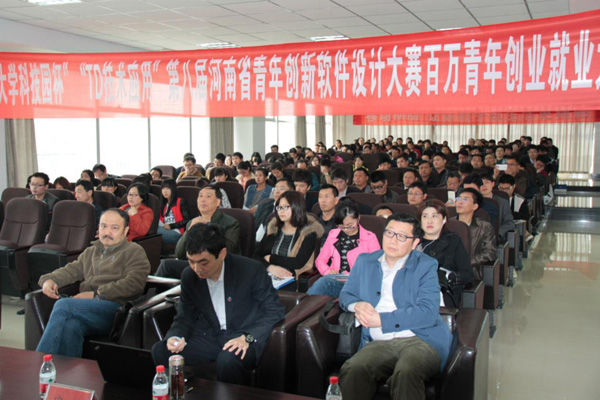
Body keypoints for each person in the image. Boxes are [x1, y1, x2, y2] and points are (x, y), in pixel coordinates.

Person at [151, 224, 285, 385]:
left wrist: (248, 337)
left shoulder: (250, 270)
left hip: (243, 335)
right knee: (161, 350)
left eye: (203, 262)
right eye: (191, 261)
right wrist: (175, 337)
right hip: (210, 337)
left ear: (222, 254)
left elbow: (274, 311)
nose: (197, 268)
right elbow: (185, 316)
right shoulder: (189, 276)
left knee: (227, 361)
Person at [338, 213, 451, 400]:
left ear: (414, 243)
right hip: (379, 343)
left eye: (402, 236)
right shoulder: (365, 261)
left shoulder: (425, 266)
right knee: (353, 368)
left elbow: (428, 312)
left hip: (420, 339)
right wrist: (357, 305)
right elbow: (346, 294)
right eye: (389, 233)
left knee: (407, 371)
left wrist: (382, 320)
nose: (393, 240)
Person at [37, 208, 150, 357]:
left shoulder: (133, 251)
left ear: (125, 230)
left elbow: (134, 284)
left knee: (64, 305)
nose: (107, 232)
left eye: (114, 228)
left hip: (115, 309)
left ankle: (40, 362)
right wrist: (49, 279)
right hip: (88, 309)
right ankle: (68, 371)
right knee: (71, 326)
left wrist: (97, 294)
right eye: (103, 226)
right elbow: (71, 270)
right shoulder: (91, 251)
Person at [155, 186, 241, 279]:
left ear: (218, 202)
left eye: (208, 196)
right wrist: (189, 230)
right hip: (195, 264)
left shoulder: (231, 223)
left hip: (217, 267)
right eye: (200, 196)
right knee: (166, 265)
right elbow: (179, 253)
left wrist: (207, 229)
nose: (203, 200)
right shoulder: (192, 222)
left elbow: (229, 250)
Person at [308, 200, 380, 298]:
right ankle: (304, 305)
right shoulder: (333, 234)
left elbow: (376, 267)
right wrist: (327, 271)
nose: (346, 230)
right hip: (336, 280)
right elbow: (320, 260)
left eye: (350, 225)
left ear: (358, 218)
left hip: (358, 284)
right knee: (323, 283)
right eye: (342, 226)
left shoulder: (369, 238)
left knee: (323, 283)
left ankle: (302, 305)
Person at [253, 191, 324, 279]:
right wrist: (270, 267)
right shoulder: (274, 228)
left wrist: (271, 258)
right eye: (279, 207)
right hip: (269, 273)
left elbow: (298, 262)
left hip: (292, 277)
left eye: (286, 207)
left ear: (297, 207)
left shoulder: (309, 232)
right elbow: (256, 255)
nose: (281, 211)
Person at [417, 200, 473, 307]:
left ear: (444, 220)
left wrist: (449, 276)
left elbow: (467, 274)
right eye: (425, 216)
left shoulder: (453, 241)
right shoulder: (412, 241)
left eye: (434, 216)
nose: (429, 221)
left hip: (442, 293)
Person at [455, 188, 496, 272]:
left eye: (465, 199)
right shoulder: (448, 224)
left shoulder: (485, 227)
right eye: (458, 198)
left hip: (472, 270)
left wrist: (467, 262)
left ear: (475, 206)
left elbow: (489, 253)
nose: (459, 202)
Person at [480, 173, 515, 242]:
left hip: (496, 239)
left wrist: (498, 233)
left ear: (493, 184)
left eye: (487, 182)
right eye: (481, 183)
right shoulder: (474, 202)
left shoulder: (503, 202)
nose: (484, 185)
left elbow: (509, 222)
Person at [158, 179, 190, 244]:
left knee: (154, 231)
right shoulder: (163, 203)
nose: (165, 191)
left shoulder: (180, 201)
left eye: (168, 188)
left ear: (173, 189)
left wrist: (171, 226)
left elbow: (187, 220)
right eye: (163, 188)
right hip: (165, 229)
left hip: (177, 232)